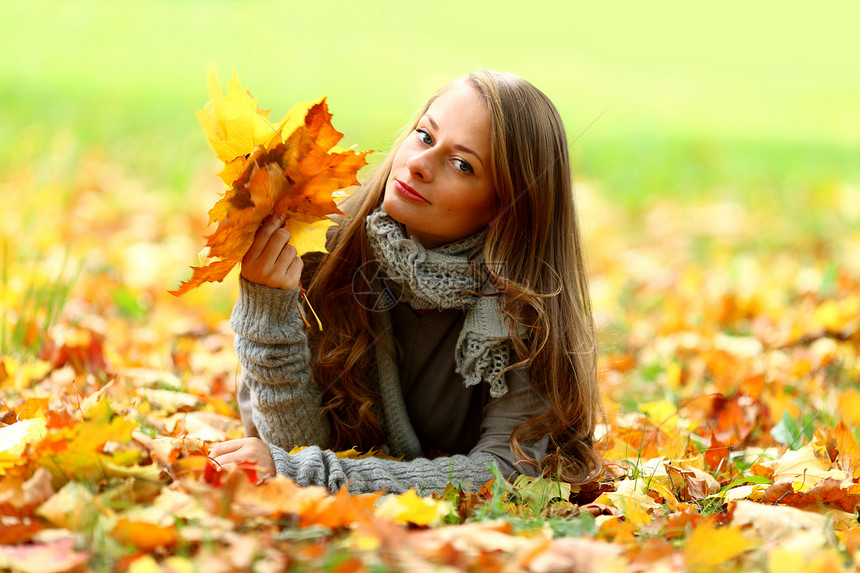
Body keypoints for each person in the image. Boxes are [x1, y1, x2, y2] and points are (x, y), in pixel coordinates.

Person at [211, 70, 603, 495]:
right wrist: (267, 315)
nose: (418, 165)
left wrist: (312, 474)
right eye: (424, 136)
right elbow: (291, 450)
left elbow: (506, 475)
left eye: (461, 164)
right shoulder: (315, 250)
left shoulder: (526, 310)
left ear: (505, 206)